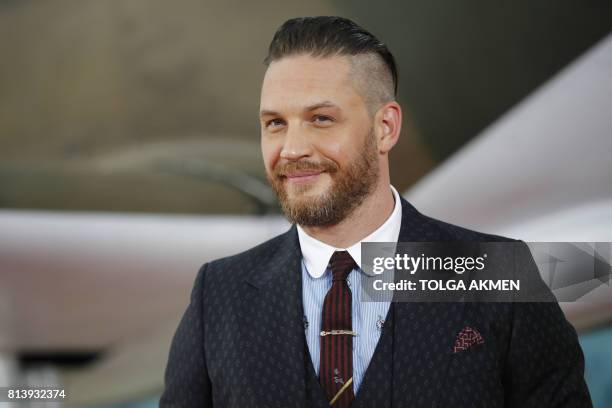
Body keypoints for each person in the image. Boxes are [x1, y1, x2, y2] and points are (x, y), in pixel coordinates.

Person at [160, 16, 592, 407]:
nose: (291, 149)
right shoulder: (218, 294)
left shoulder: (500, 276)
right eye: (275, 123)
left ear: (385, 128)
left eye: (321, 119)